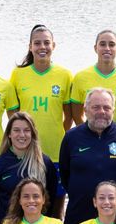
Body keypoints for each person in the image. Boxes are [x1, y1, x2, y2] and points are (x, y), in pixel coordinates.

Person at [60, 87, 116, 224]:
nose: (101, 112)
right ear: (85, 110)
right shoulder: (71, 137)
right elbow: (65, 176)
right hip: (79, 217)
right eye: (96, 107)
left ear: (113, 110)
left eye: (106, 108)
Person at [0, 113, 63, 224]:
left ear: (32, 134)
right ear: (9, 134)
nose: (22, 135)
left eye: (26, 130)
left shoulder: (45, 163)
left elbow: (51, 200)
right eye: (16, 130)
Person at [9, 25, 75, 161]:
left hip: (55, 151)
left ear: (53, 45)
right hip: (26, 151)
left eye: (46, 42)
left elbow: (68, 117)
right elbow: (13, 113)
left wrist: (54, 132)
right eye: (37, 43)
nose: (42, 47)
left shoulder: (65, 75)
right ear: (30, 46)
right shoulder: (18, 74)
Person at [69, 29, 116, 127]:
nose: (107, 48)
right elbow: (76, 115)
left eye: (111, 44)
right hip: (91, 138)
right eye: (102, 44)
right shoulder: (80, 77)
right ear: (95, 48)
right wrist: (87, 134)